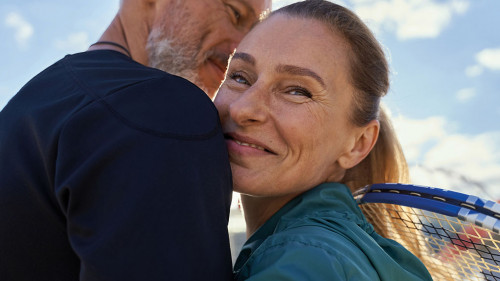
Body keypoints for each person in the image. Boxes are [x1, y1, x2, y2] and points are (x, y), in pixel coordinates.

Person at [0, 0, 270, 280]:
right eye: (235, 12)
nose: (242, 47)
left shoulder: (27, 106)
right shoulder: (164, 108)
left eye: (255, 31)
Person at [214, 0, 434, 280]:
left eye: (297, 91)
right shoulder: (338, 251)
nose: (243, 109)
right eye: (240, 77)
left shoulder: (306, 258)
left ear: (358, 144)